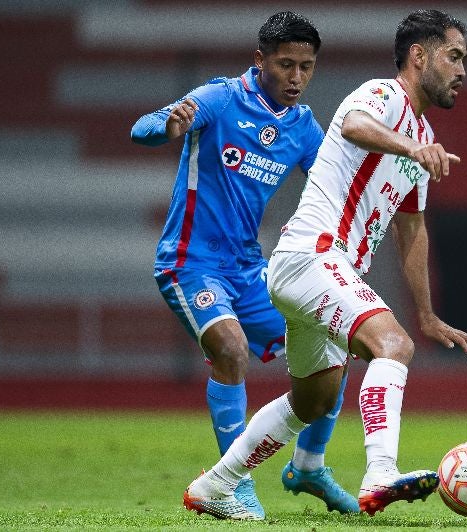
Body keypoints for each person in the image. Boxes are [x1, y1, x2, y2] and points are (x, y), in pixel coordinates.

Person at [182, 9, 467, 520]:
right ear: (419, 55)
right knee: (393, 345)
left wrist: (428, 314)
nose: (461, 70)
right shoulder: (382, 96)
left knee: (313, 402)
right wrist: (413, 146)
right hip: (314, 255)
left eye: (464, 60)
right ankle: (381, 473)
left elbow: (412, 231)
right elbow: (353, 124)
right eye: (453, 56)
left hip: (311, 270)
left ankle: (215, 484)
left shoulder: (422, 136)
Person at [130, 11, 357, 519]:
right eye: (286, 65)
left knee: (335, 339)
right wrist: (167, 124)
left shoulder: (301, 126)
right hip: (189, 263)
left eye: (306, 67)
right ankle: (235, 484)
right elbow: (139, 129)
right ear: (260, 60)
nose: (296, 78)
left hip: (247, 269)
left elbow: (335, 180)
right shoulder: (217, 99)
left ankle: (309, 467)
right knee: (232, 351)